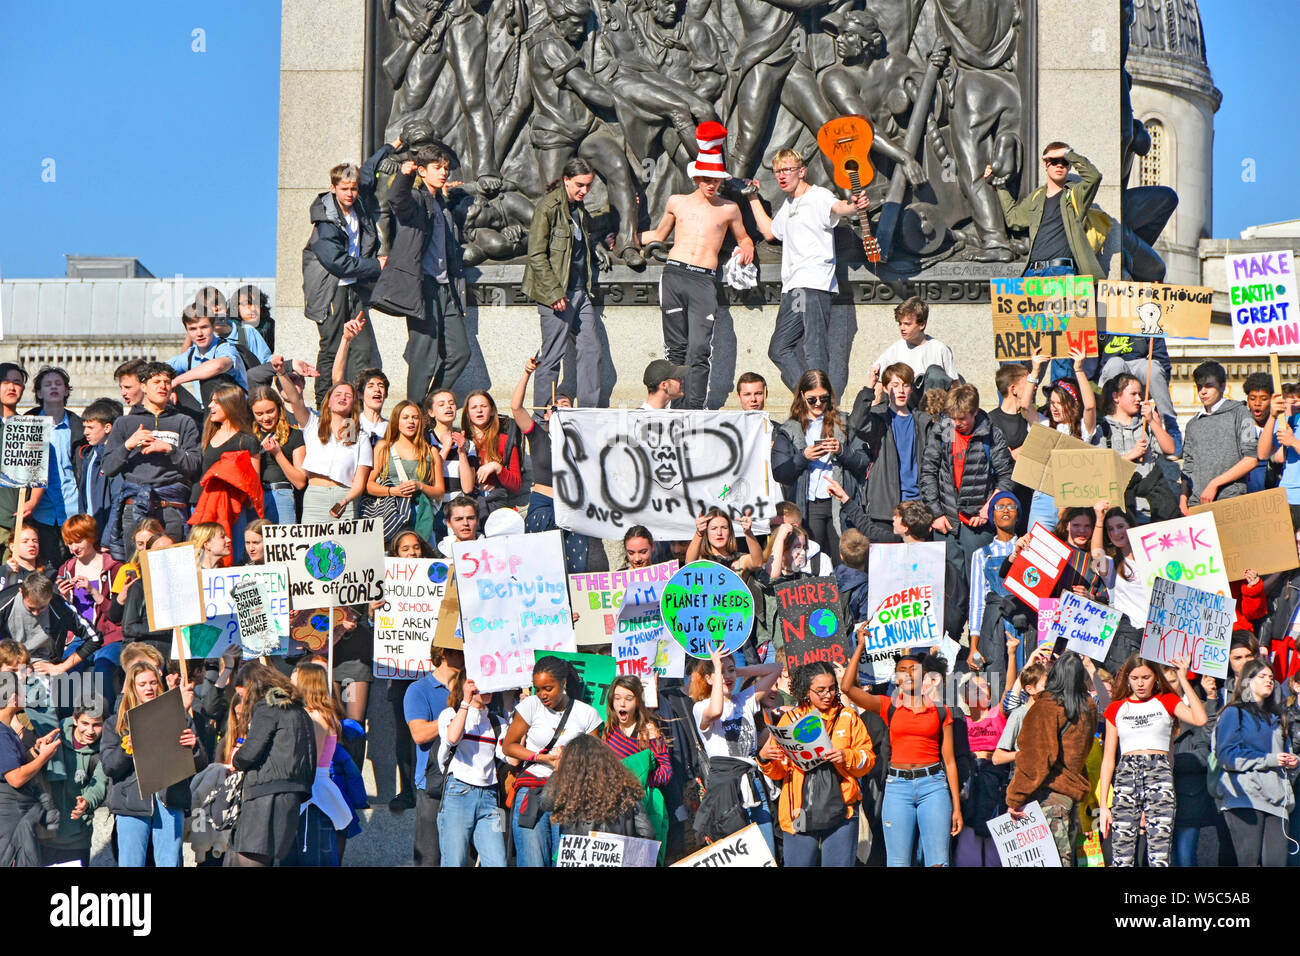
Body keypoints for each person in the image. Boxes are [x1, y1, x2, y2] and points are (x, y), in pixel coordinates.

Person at [639, 121, 756, 410]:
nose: (711, 184)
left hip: (704, 280)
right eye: (706, 178)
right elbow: (658, 235)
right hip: (675, 275)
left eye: (715, 180)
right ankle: (675, 406)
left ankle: (694, 406)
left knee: (700, 349)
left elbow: (744, 238)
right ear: (696, 177)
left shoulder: (729, 208)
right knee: (675, 348)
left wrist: (748, 248)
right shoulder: (677, 202)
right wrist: (627, 238)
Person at [747, 148, 868, 395]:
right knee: (779, 349)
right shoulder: (789, 204)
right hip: (793, 288)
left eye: (787, 170)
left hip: (813, 285)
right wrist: (751, 197)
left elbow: (839, 208)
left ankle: (819, 403)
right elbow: (771, 232)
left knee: (814, 350)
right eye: (778, 171)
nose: (781, 176)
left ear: (801, 172)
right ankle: (809, 397)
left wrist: (854, 206)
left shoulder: (818, 196)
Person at [841, 639, 962, 866]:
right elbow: (847, 688)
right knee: (897, 862)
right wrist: (860, 646)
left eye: (912, 670)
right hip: (898, 788)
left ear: (923, 675)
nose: (906, 674)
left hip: (933, 786)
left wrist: (956, 807)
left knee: (938, 861)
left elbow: (950, 762)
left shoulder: (941, 711)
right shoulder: (889, 706)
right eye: (901, 671)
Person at [376, 143, 472, 403]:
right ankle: (414, 412)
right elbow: (397, 200)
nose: (443, 173)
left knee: (460, 353)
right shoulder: (418, 200)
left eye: (446, 168)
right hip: (423, 288)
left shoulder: (442, 204)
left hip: (446, 289)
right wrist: (405, 177)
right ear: (422, 170)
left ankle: (429, 403)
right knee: (424, 356)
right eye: (437, 168)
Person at [919, 384, 1014, 641]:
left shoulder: (991, 433)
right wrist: (935, 513)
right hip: (947, 523)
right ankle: (948, 644)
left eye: (962, 419)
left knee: (979, 588)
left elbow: (1005, 478)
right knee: (949, 589)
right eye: (953, 418)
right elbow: (928, 473)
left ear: (973, 413)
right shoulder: (942, 430)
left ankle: (982, 644)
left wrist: (987, 509)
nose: (957, 423)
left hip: (977, 526)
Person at [759, 661, 875, 866]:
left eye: (832, 689)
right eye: (820, 690)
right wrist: (765, 758)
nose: (827, 695)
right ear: (806, 689)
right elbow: (778, 773)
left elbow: (868, 760)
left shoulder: (848, 717)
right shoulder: (790, 720)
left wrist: (847, 756)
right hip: (799, 811)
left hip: (842, 811)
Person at [1098, 655, 1207, 867]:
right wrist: (1104, 805)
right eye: (1135, 677)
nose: (1140, 683)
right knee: (1122, 853)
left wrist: (1183, 679)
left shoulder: (1166, 700)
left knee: (1159, 852)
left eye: (1146, 677)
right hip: (1126, 774)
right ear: (1127, 678)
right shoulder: (1116, 708)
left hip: (1159, 773)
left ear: (1155, 677)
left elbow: (1200, 719)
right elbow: (1108, 759)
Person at [500, 655, 604, 867]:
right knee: (532, 861)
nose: (542, 695)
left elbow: (596, 760)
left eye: (548, 688)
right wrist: (540, 757)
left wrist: (572, 760)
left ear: (563, 683)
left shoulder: (587, 714)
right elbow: (508, 745)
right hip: (531, 791)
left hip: (570, 796)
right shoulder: (530, 706)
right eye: (538, 689)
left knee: (565, 861)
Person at [100, 661, 205, 867]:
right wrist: (126, 750)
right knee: (131, 863)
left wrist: (194, 747)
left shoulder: (178, 717)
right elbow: (109, 767)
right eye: (142, 684)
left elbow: (200, 765)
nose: (149, 688)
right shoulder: (117, 723)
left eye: (153, 682)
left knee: (169, 862)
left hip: (170, 799)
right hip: (132, 803)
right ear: (132, 687)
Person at [522, 157, 606, 411]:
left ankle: (589, 413)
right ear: (566, 180)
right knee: (552, 356)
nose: (585, 191)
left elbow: (579, 246)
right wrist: (553, 292)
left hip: (581, 293)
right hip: (556, 295)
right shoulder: (548, 207)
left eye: (589, 186)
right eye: (580, 185)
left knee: (591, 351)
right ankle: (542, 418)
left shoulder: (580, 210)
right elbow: (536, 255)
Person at [1005, 651, 1098, 866]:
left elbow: (1035, 757)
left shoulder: (1048, 705)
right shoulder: (1088, 706)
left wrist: (1015, 798)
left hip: (1048, 798)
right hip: (1071, 799)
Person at [302, 160, 382, 406]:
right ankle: (323, 404)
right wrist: (376, 266)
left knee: (361, 348)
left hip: (353, 288)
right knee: (332, 347)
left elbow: (367, 170)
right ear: (333, 188)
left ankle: (357, 404)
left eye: (354, 189)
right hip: (331, 291)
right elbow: (338, 263)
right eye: (344, 189)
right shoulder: (325, 222)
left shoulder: (358, 206)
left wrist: (393, 145)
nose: (350, 194)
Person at [689, 646, 783, 852]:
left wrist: (737, 672)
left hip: (754, 785)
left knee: (766, 853)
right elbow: (716, 710)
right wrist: (716, 665)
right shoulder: (700, 707)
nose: (727, 676)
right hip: (725, 788)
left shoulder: (745, 700)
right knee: (740, 857)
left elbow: (777, 668)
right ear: (708, 678)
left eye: (731, 670)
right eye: (720, 672)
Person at [772, 370, 868, 561]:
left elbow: (863, 462)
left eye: (823, 398)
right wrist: (803, 457)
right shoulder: (790, 428)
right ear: (801, 396)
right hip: (809, 503)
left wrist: (842, 451)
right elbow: (780, 472)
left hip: (840, 502)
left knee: (844, 560)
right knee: (812, 558)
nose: (818, 404)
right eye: (812, 399)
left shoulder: (844, 422)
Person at [101, 362, 202, 543]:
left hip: (172, 508)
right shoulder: (124, 423)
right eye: (156, 381)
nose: (163, 386)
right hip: (135, 507)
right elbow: (108, 468)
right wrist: (128, 445)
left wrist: (170, 449)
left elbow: (194, 466)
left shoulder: (184, 422)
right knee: (137, 567)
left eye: (167, 382)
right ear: (143, 386)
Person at [228, 663, 316, 867]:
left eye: (241, 695)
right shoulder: (296, 707)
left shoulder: (267, 706)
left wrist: (235, 758)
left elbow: (250, 752)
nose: (242, 700)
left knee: (249, 858)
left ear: (250, 687)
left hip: (266, 794)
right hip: (291, 793)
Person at [1214, 659, 1298, 867]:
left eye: (1271, 677)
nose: (1268, 680)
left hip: (1278, 802)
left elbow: (1284, 754)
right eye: (1262, 676)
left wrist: (1294, 761)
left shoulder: (1278, 718)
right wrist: (1270, 759)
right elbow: (1226, 755)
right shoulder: (1234, 713)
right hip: (1245, 798)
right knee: (1247, 862)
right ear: (1246, 682)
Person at [510, 358, 589, 573]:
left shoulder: (582, 441)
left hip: (572, 506)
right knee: (537, 564)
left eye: (566, 405)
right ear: (545, 415)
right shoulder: (538, 436)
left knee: (576, 566)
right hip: (544, 503)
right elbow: (516, 408)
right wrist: (527, 373)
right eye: (555, 407)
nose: (560, 408)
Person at [273, 358, 373, 522]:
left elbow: (360, 481)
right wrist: (282, 373)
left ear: (353, 404)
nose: (342, 398)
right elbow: (296, 400)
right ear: (329, 401)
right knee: (314, 547)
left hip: (344, 497)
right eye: (338, 394)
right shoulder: (313, 424)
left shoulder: (360, 437)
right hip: (315, 496)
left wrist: (346, 500)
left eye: (348, 396)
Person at [990, 141, 1105, 279]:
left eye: (1064, 161)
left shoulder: (1075, 193)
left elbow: (1094, 177)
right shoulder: (1036, 196)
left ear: (1069, 166)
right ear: (1045, 164)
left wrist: (1069, 154)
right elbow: (1013, 219)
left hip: (1061, 271)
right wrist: (1000, 186)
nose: (1060, 165)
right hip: (1032, 272)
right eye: (1054, 160)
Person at [847, 362, 932, 542]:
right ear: (885, 388)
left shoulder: (924, 422)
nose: (900, 390)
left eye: (905, 385)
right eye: (894, 385)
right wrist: (869, 387)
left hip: (917, 507)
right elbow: (856, 423)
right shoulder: (879, 418)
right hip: (885, 508)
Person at [436, 671, 507, 867]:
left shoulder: (498, 722)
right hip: (458, 792)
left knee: (498, 862)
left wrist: (523, 714)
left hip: (489, 798)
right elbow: (452, 738)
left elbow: (512, 758)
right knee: (454, 861)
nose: (487, 689)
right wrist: (465, 701)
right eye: (481, 683)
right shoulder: (449, 714)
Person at [1024, 350, 1098, 532]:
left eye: (1059, 403)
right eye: (1051, 402)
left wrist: (1079, 369)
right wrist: (1034, 371)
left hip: (1073, 498)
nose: (1054, 408)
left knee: (1069, 553)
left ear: (1072, 404)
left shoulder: (1082, 429)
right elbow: (1025, 406)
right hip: (1043, 497)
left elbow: (1090, 406)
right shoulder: (1043, 423)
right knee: (1037, 551)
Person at [538, 734, 656, 847]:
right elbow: (647, 833)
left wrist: (558, 769)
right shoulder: (627, 790)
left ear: (571, 766)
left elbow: (546, 802)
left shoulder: (571, 793)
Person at [404, 644, 463, 866]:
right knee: (429, 858)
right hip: (433, 785)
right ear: (445, 654)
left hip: (469, 784)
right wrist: (456, 716)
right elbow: (419, 734)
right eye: (461, 651)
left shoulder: (472, 689)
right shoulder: (418, 690)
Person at [191, 385, 263, 564]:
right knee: (201, 559)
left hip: (233, 510)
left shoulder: (247, 439)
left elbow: (253, 482)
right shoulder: (208, 433)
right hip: (202, 504)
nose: (210, 406)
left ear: (230, 405)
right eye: (211, 402)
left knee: (233, 556)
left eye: (216, 402)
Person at [1179, 361, 1260, 512]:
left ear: (1223, 386)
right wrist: (1183, 499)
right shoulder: (1192, 424)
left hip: (1230, 499)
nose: (1203, 391)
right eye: (1199, 387)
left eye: (1209, 386)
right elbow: (1188, 466)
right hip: (1197, 504)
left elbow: (1251, 459)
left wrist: (1214, 484)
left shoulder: (1241, 413)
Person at [39, 698, 108, 866]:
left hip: (77, 838)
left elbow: (100, 782)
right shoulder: (53, 736)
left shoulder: (104, 749)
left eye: (97, 725)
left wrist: (87, 801)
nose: (90, 731)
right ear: (75, 719)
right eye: (85, 723)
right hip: (45, 834)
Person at [26, 367, 81, 563]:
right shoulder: (27, 425)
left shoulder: (80, 427)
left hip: (73, 510)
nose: (53, 388)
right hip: (42, 512)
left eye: (58, 384)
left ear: (66, 390)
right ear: (39, 393)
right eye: (47, 385)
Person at [367, 400, 445, 540]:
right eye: (405, 417)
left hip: (421, 514)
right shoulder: (383, 447)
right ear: (396, 421)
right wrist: (393, 491)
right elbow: (369, 485)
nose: (411, 422)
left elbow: (439, 492)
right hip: (392, 514)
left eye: (415, 417)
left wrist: (420, 486)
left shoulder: (431, 451)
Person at [967, 491, 1022, 678]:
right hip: (993, 626)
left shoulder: (1029, 549)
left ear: (1018, 514)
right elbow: (977, 603)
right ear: (992, 515)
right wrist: (973, 645)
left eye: (1011, 506)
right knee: (995, 682)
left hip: (1023, 622)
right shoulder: (981, 554)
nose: (1005, 510)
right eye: (999, 507)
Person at [868, 298, 960, 406]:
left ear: (922, 325)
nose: (902, 328)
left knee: (935, 373)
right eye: (900, 323)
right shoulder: (894, 350)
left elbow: (955, 386)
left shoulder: (940, 349)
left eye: (907, 324)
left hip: (933, 409)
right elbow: (878, 385)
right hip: (906, 408)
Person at [1089, 505, 1147, 674]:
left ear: (1131, 527)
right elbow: (1096, 555)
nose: (1116, 533)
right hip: (1127, 639)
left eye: (1120, 527)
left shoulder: (1154, 558)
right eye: (1110, 529)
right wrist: (1099, 521)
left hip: (1156, 638)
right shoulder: (1112, 564)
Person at [74, 399, 125, 559]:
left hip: (107, 539)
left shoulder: (114, 457)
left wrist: (107, 538)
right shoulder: (89, 455)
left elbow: (117, 501)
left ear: (108, 427)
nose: (85, 432)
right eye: (84, 427)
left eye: (91, 427)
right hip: (91, 534)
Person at [249, 386, 307, 525]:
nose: (266, 418)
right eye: (259, 414)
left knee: (283, 544)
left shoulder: (295, 435)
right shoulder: (249, 437)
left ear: (279, 408)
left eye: (270, 411)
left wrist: (278, 453)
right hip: (255, 497)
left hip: (282, 495)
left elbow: (300, 482)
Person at [460, 391, 522, 517]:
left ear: (492, 410)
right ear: (467, 414)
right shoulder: (460, 440)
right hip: (466, 505)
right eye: (474, 407)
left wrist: (497, 467)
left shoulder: (505, 441)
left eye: (484, 406)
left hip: (496, 504)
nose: (479, 411)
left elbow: (516, 485)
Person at [168, 307, 247, 405]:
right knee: (159, 381)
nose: (199, 334)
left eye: (204, 327)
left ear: (213, 326)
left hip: (235, 410)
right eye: (193, 329)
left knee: (210, 381)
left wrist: (177, 380)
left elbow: (218, 366)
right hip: (205, 410)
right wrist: (168, 388)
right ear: (187, 331)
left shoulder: (225, 348)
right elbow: (159, 369)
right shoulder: (190, 355)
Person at [685, 509, 762, 570]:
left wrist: (748, 532)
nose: (719, 533)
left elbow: (757, 563)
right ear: (706, 532)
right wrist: (699, 533)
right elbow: (689, 564)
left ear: (730, 531)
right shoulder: (701, 561)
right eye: (714, 528)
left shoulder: (740, 560)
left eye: (724, 528)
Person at [833, 528, 871, 623]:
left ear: (841, 556)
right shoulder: (867, 587)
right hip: (854, 635)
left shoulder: (830, 579)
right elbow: (865, 620)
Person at [230, 284, 275, 351]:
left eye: (257, 303)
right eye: (248, 304)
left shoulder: (271, 326)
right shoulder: (228, 328)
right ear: (236, 306)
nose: (253, 308)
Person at [436, 495, 482, 559]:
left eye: (470, 518)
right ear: (448, 523)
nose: (465, 523)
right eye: (459, 519)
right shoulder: (439, 555)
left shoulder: (492, 549)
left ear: (477, 521)